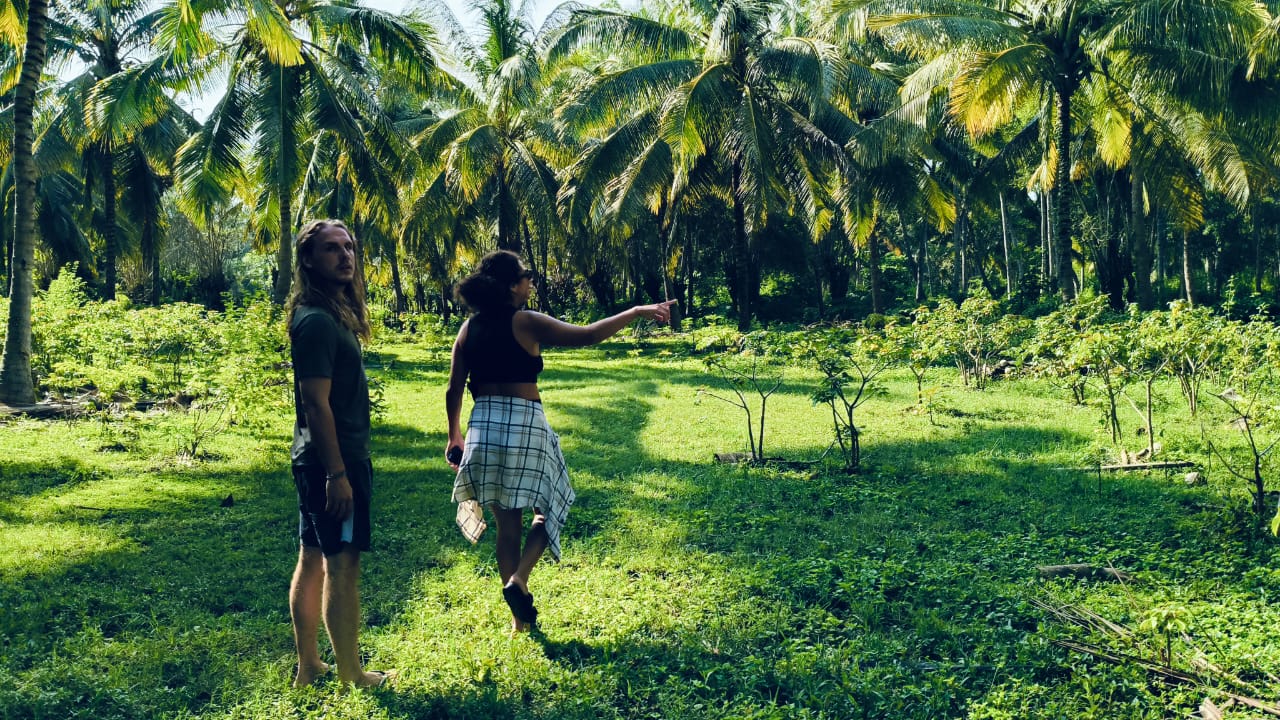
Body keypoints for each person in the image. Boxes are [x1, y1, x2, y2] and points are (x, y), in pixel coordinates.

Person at [445, 249, 675, 632]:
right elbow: (588, 335)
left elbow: (453, 389)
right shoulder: (525, 321)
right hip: (525, 426)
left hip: (483, 429)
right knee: (550, 507)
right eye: (526, 276)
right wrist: (636, 312)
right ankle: (519, 580)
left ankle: (519, 622)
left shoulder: (468, 329)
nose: (530, 282)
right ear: (511, 286)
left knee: (507, 528)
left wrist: (455, 434)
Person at [285, 219, 390, 688]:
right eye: (331, 249)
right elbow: (315, 402)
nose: (345, 256)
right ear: (308, 260)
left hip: (319, 460)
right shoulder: (318, 322)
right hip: (333, 461)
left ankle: (310, 666)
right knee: (342, 566)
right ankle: (351, 674)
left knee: (313, 557)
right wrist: (337, 474)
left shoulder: (325, 315)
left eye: (349, 247)